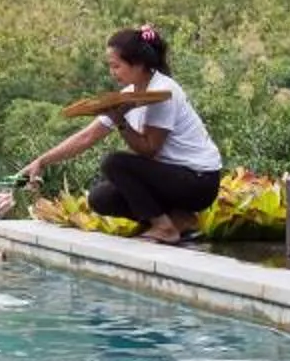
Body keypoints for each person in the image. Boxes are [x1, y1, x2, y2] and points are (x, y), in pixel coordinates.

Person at [19, 25, 226, 246]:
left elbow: (149, 150)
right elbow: (86, 137)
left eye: (116, 66)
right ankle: (180, 219)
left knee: (115, 162)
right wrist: (41, 161)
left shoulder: (164, 92)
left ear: (137, 64)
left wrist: (121, 122)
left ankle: (164, 228)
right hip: (171, 178)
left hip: (198, 182)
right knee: (100, 198)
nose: (112, 72)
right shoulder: (126, 96)